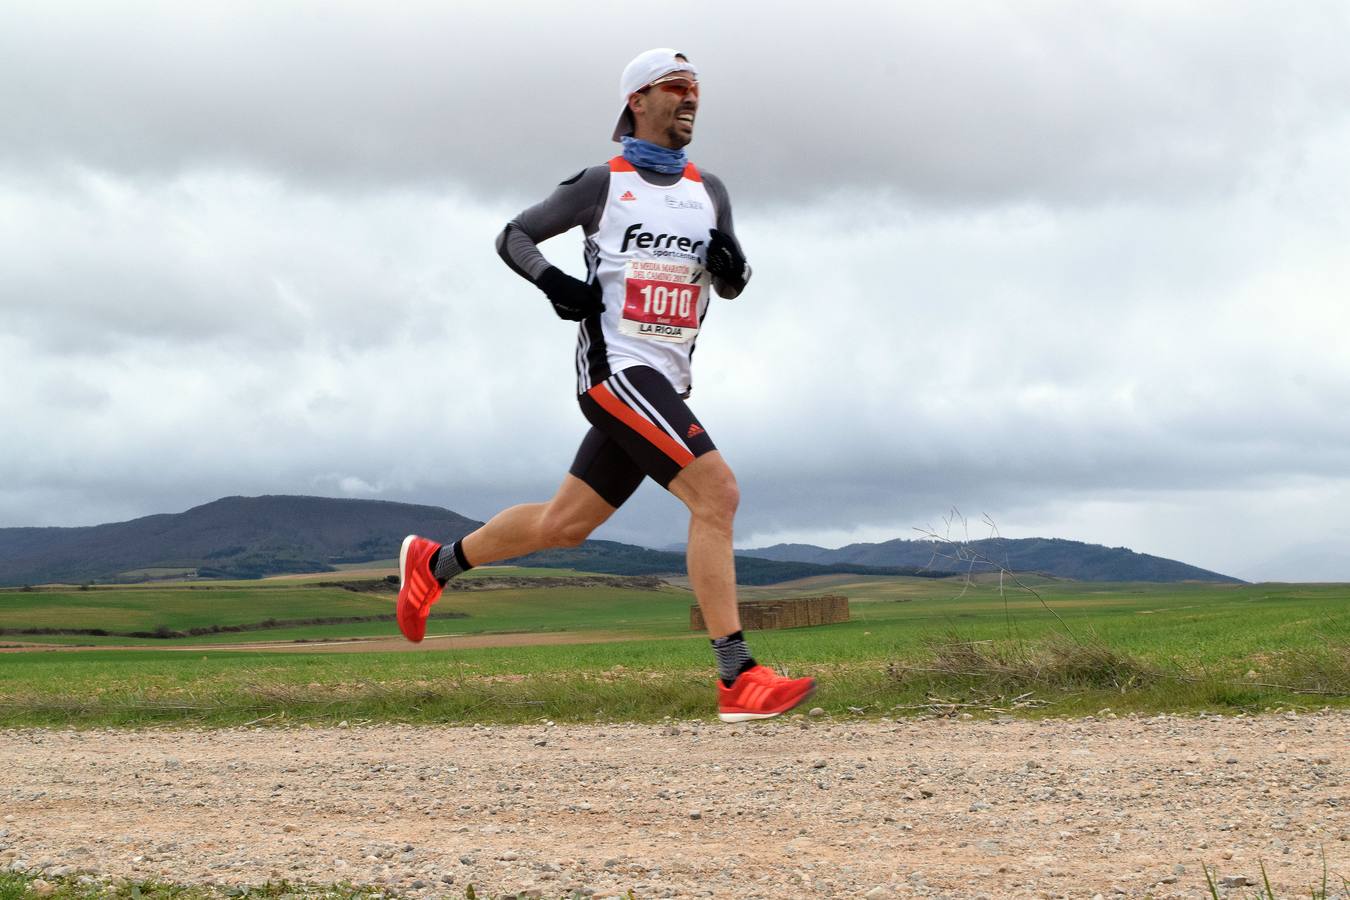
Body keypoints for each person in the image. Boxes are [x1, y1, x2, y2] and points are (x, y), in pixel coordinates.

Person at [395, 48, 814, 722]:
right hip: (618, 371)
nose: (691, 99)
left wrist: (735, 272)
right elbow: (514, 235)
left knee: (565, 525)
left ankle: (434, 564)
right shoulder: (602, 182)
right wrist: (553, 282)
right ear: (636, 102)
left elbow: (729, 284)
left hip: (668, 379)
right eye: (675, 87)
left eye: (696, 89)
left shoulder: (711, 192)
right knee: (718, 492)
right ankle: (738, 677)